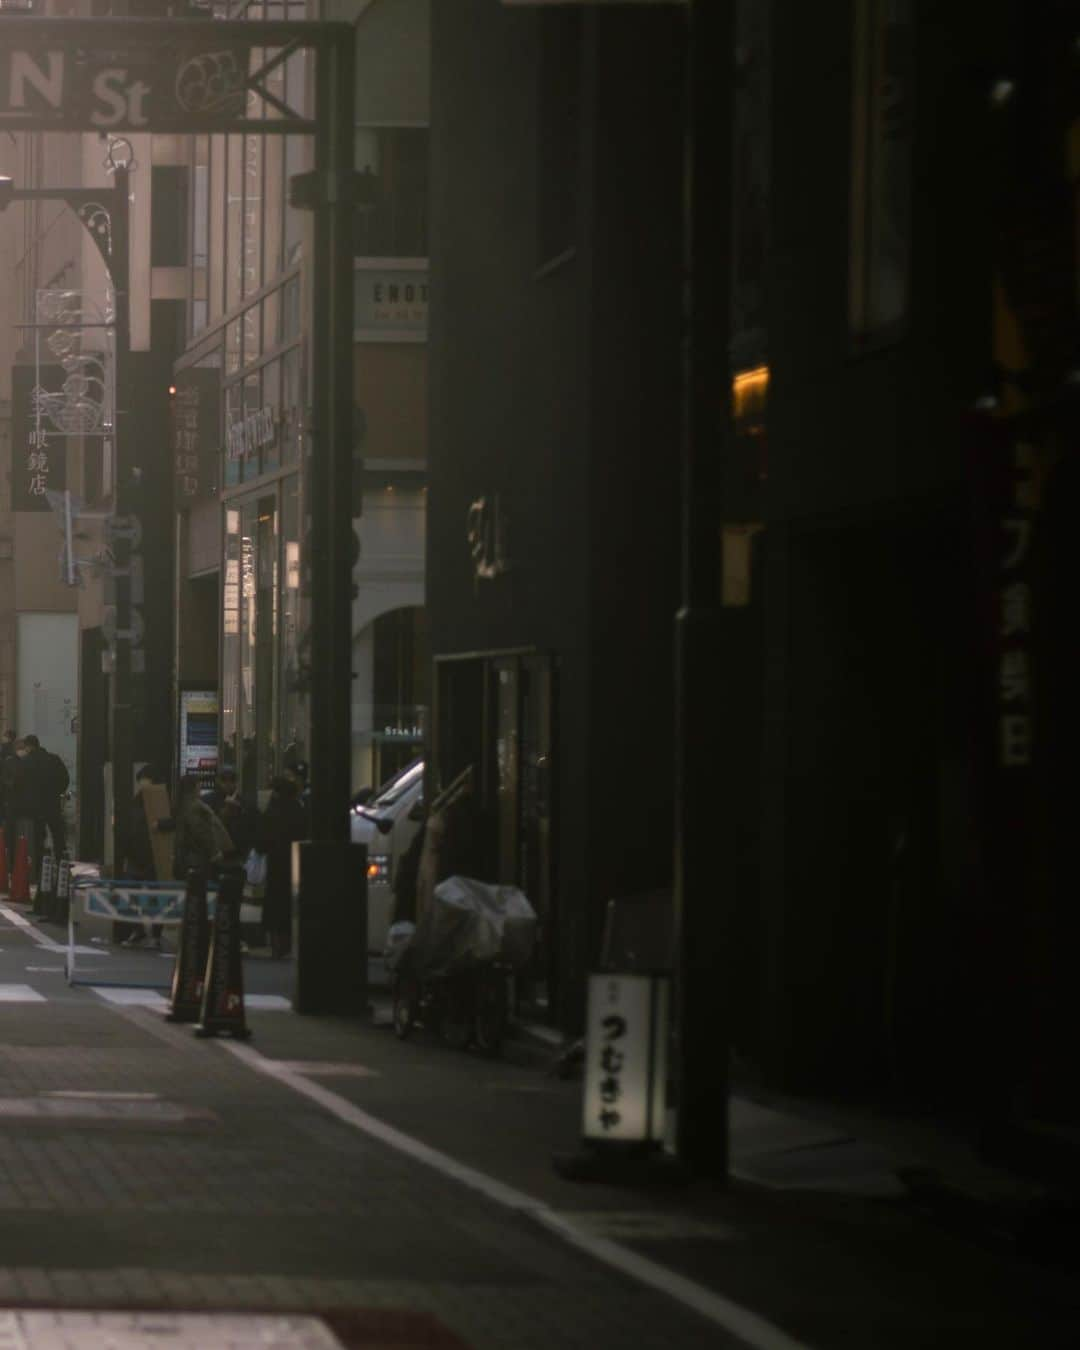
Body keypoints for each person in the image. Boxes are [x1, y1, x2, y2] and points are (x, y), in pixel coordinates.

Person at [154, 773, 234, 894]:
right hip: (197, 860)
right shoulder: (194, 807)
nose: (200, 788)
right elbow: (202, 833)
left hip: (187, 859)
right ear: (193, 787)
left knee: (191, 894)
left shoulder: (183, 805)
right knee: (199, 895)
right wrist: (214, 852)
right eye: (199, 785)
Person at [254, 775, 307, 959]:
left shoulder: (272, 811)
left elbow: (262, 841)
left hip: (276, 862)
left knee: (274, 901)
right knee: (289, 903)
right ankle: (287, 941)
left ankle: (276, 943)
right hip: (296, 861)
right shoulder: (299, 810)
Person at [117, 764, 161, 948]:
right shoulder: (134, 803)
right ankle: (138, 930)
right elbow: (126, 829)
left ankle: (155, 934)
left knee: (154, 897)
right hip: (135, 857)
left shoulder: (161, 802)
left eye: (145, 781)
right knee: (132, 896)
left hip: (153, 857)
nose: (143, 785)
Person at [17, 734, 68, 884]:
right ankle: (61, 863)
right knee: (58, 834)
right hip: (52, 804)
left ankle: (39, 868)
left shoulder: (26, 762)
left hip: (35, 807)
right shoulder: (54, 759)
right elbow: (65, 778)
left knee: (38, 837)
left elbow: (20, 785)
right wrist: (56, 792)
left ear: (28, 746)